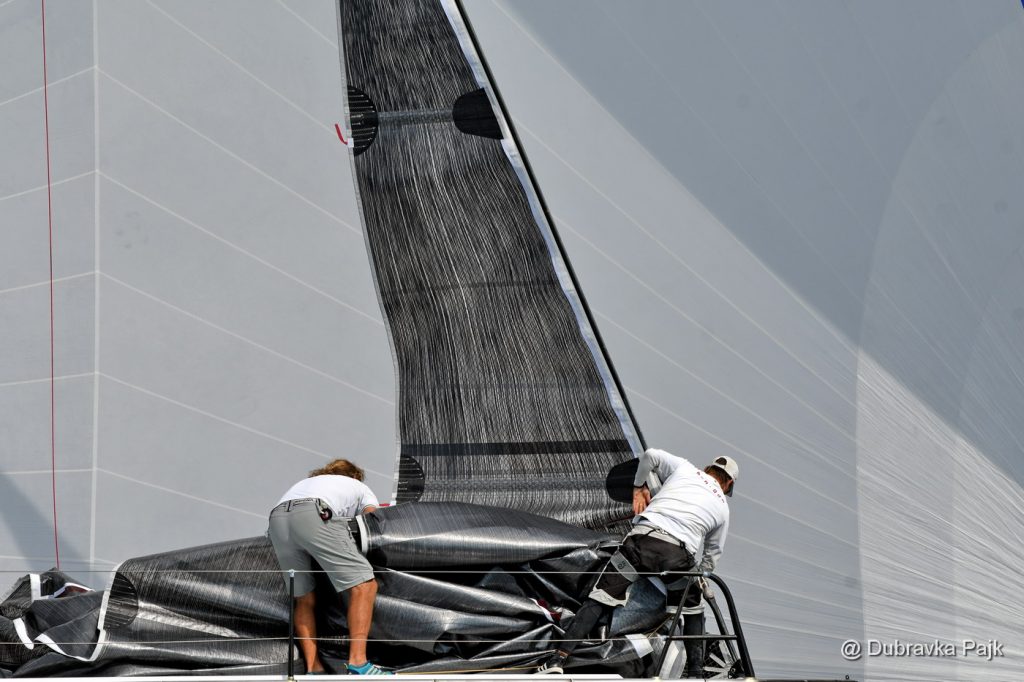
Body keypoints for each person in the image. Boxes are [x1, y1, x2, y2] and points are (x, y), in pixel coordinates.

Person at [537, 449, 738, 677]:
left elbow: (650, 454)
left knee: (601, 598)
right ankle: (696, 675)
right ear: (728, 483)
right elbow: (713, 554)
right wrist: (699, 575)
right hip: (676, 556)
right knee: (693, 609)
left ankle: (558, 659)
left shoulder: (685, 468)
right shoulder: (723, 507)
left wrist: (638, 487)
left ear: (708, 469)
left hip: (642, 542)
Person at [268, 459, 387, 675]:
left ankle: (314, 669)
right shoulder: (358, 486)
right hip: (314, 512)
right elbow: (372, 519)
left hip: (277, 519)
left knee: (303, 598)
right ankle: (359, 663)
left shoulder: (305, 484)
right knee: (364, 586)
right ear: (354, 476)